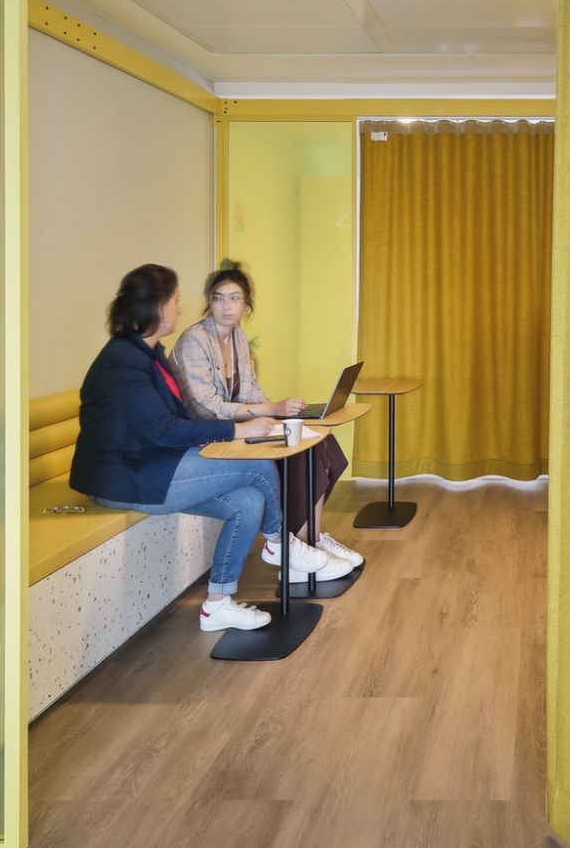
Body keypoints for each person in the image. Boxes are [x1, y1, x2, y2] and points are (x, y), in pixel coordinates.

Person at [68, 264, 347, 636]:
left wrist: (253, 422)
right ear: (155, 307)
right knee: (258, 468)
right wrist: (237, 430)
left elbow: (168, 422)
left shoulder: (147, 353)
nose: (180, 308)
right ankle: (280, 543)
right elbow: (166, 428)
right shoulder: (123, 362)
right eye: (175, 300)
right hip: (123, 478)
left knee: (249, 500)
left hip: (151, 463)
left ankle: (218, 603)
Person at [173, 265, 364, 573]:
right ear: (209, 301)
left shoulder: (237, 336)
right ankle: (298, 552)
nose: (226, 306)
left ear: (246, 304)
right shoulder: (195, 340)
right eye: (219, 298)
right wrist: (270, 409)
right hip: (208, 437)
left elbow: (251, 390)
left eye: (234, 298)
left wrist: (281, 412)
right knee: (294, 456)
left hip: (237, 429)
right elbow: (206, 407)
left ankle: (312, 540)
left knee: (318, 445)